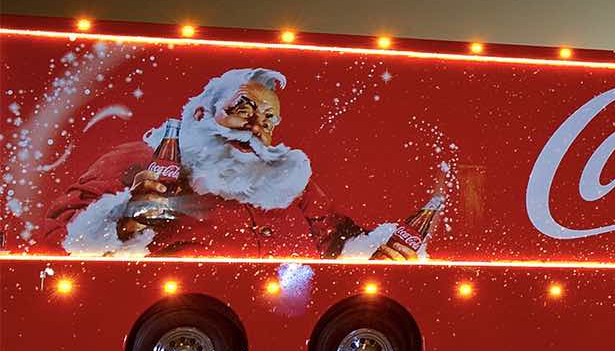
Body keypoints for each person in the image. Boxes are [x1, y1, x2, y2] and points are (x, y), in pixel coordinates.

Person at [44, 67, 417, 260]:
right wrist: (120, 220)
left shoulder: (289, 180)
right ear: (204, 112)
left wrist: (376, 251)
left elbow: (337, 240)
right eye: (243, 110)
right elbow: (56, 238)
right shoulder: (141, 159)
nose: (257, 127)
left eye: (269, 119)